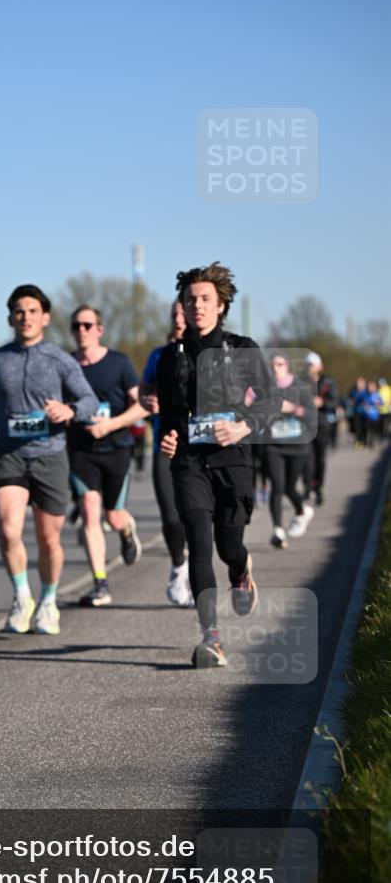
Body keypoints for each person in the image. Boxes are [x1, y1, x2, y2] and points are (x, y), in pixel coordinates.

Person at [157, 262, 281, 669]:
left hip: (233, 460)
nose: (197, 306)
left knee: (229, 545)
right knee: (199, 544)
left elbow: (270, 402)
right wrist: (169, 436)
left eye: (205, 299)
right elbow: (170, 414)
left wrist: (242, 426)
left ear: (221, 304)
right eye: (190, 299)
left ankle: (241, 568)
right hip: (189, 462)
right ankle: (211, 638)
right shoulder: (168, 357)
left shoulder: (243, 348)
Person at [0, 284, 98, 634]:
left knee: (48, 540)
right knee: (10, 530)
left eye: (32, 311)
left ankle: (48, 601)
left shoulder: (59, 358)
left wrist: (68, 409)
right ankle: (22, 596)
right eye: (18, 311)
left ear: (45, 317)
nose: (25, 317)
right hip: (8, 456)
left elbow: (89, 401)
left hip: (50, 456)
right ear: (10, 316)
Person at [67, 305, 146, 607]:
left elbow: (142, 406)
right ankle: (100, 582)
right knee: (89, 511)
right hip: (80, 450)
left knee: (112, 517)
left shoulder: (119, 363)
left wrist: (110, 425)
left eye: (88, 325)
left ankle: (126, 530)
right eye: (76, 326)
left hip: (116, 446)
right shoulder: (67, 365)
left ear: (100, 329)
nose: (82, 331)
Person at [140, 299, 193, 607]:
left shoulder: (208, 354)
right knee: (170, 514)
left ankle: (199, 573)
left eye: (182, 312)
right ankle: (178, 566)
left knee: (197, 516)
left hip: (200, 444)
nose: (177, 318)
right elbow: (143, 388)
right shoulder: (159, 355)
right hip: (164, 441)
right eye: (173, 313)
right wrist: (149, 400)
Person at [264, 352, 317, 548]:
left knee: (289, 487)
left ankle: (302, 511)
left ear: (287, 366)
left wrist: (293, 409)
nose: (275, 369)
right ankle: (278, 529)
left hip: (297, 445)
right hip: (274, 446)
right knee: (276, 486)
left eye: (279, 364)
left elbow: (312, 415)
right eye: (272, 366)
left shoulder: (300, 387)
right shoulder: (268, 388)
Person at [303, 352, 338, 504]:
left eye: (312, 365)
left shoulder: (328, 382)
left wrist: (322, 403)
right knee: (306, 459)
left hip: (322, 425)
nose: (309, 368)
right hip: (305, 426)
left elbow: (334, 403)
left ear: (319, 366)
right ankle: (308, 487)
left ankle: (319, 487)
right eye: (307, 365)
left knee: (320, 459)